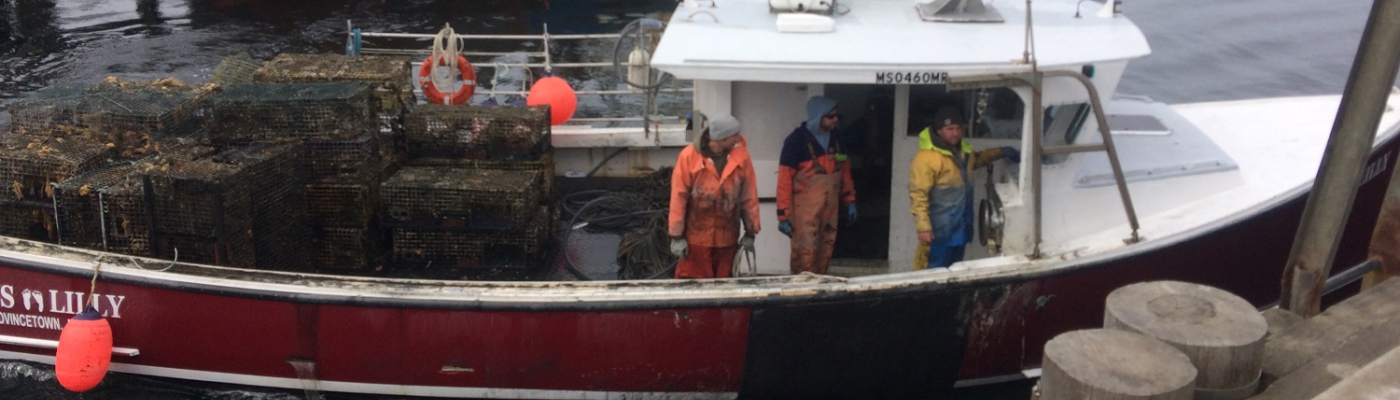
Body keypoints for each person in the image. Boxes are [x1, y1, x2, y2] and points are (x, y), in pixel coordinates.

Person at [909, 107, 1021, 270]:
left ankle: (950, 296)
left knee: (955, 269)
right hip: (938, 232)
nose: (955, 133)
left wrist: (1001, 152)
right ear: (939, 131)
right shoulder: (925, 159)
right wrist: (923, 228)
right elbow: (918, 195)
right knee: (930, 272)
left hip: (960, 228)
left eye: (958, 128)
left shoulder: (962, 152)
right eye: (950, 129)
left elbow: (976, 160)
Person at [668, 113, 761, 279]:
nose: (737, 139)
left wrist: (750, 232)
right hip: (696, 238)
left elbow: (749, 196)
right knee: (692, 283)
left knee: (724, 283)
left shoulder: (742, 158)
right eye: (734, 135)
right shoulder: (688, 157)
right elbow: (678, 198)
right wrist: (676, 236)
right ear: (722, 137)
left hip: (727, 238)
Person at [776, 96, 856, 274]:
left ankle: (818, 292)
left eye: (837, 116)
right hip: (805, 211)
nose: (836, 120)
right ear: (817, 116)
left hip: (830, 209)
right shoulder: (795, 142)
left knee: (826, 249)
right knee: (804, 253)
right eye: (831, 116)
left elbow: (845, 170)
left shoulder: (837, 140)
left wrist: (850, 200)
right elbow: (784, 179)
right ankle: (798, 296)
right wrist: (783, 215)